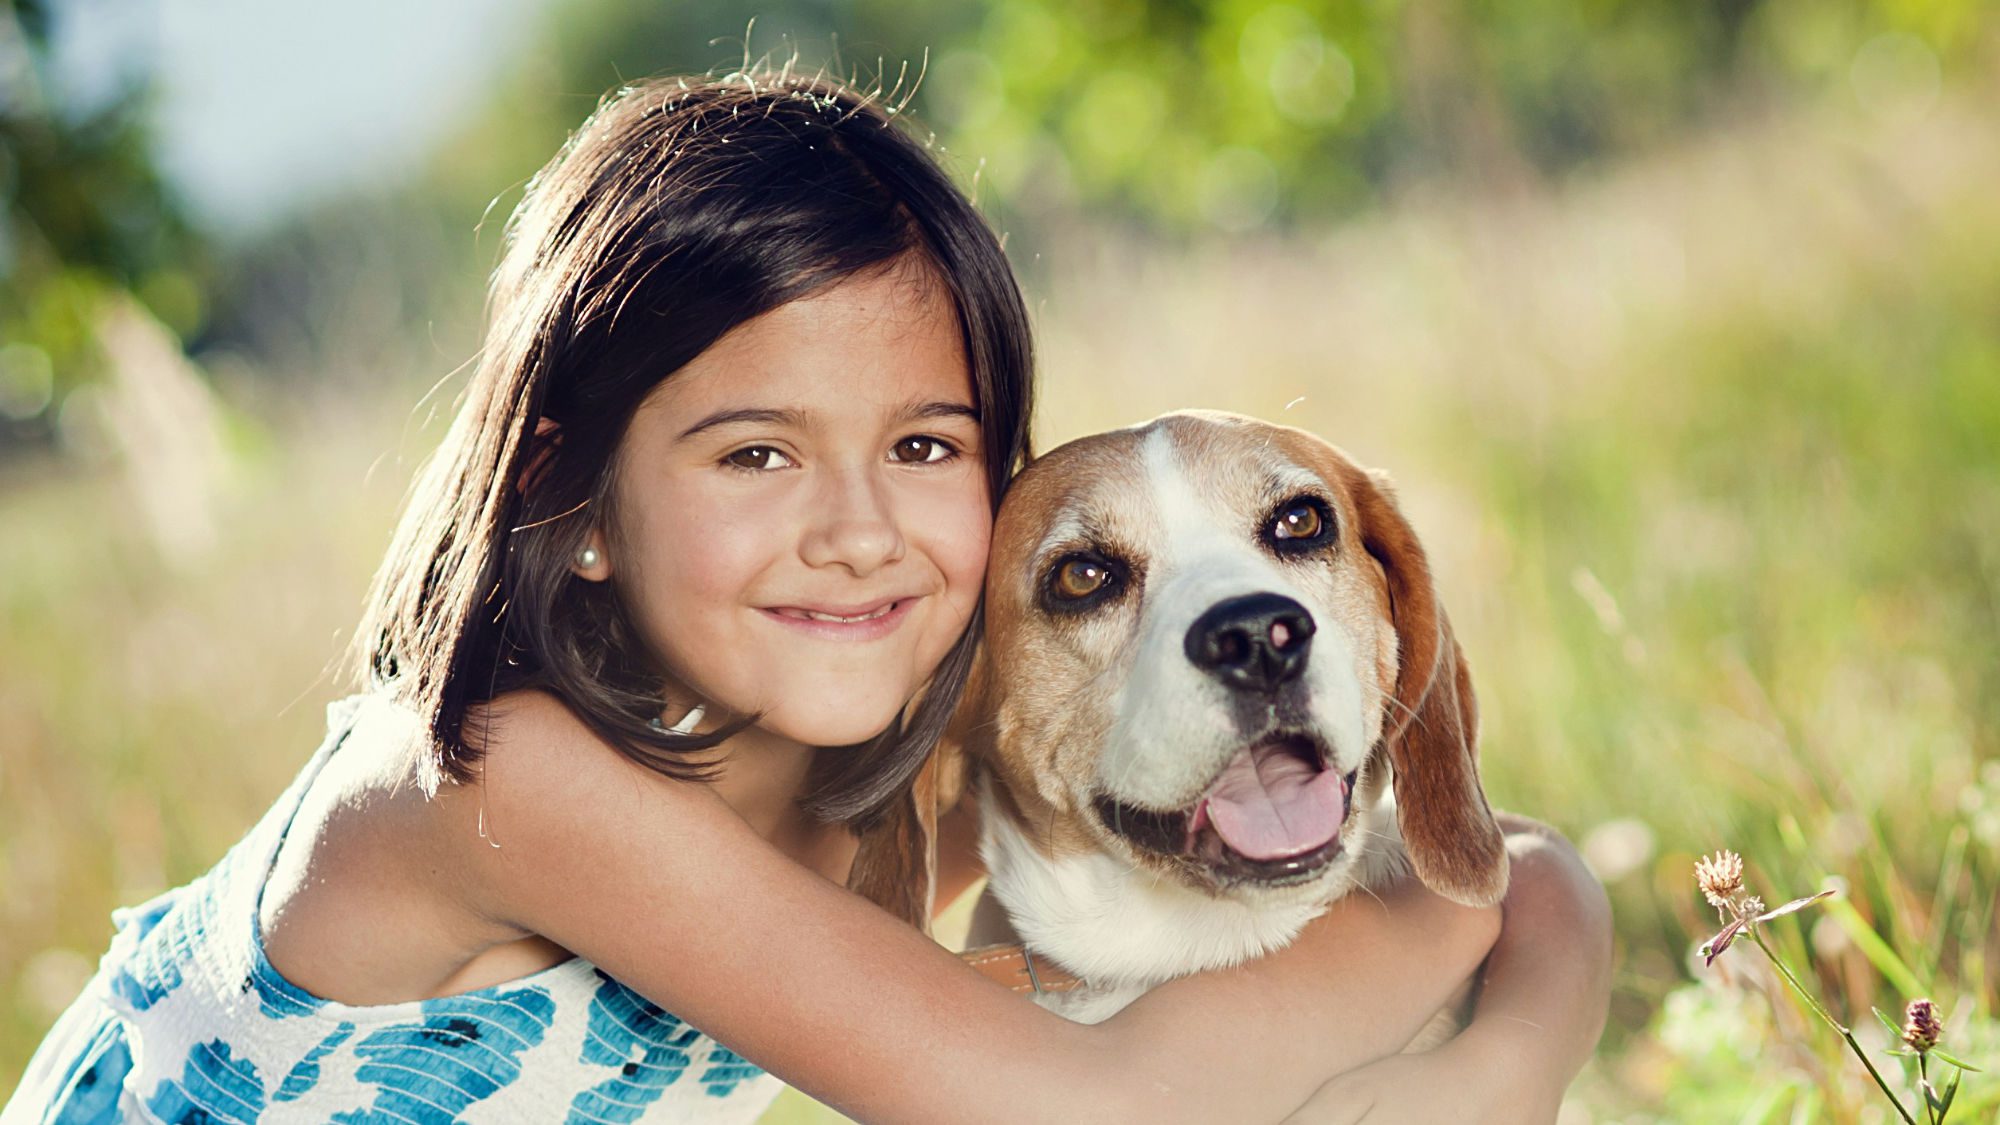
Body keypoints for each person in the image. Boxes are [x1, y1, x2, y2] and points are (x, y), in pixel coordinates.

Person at [4, 71, 1610, 1124]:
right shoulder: (502, 777)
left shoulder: (870, 782)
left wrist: (1507, 878)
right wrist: (1511, 1044)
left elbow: (1503, 860)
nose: (856, 531)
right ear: (572, 502)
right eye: (756, 453)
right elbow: (1095, 1110)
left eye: (922, 442)